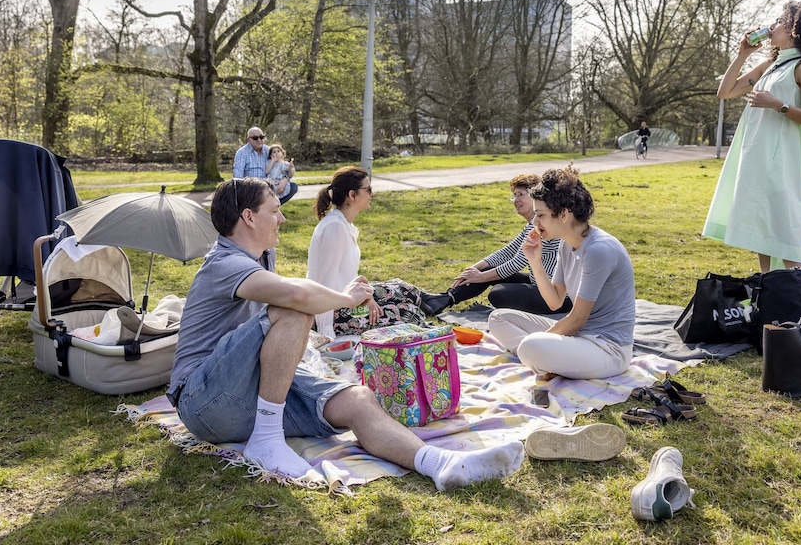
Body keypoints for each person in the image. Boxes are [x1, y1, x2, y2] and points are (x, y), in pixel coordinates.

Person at [166, 177, 524, 489]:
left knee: (358, 398)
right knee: (293, 309)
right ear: (248, 217)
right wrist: (346, 298)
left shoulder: (261, 256)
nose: (283, 218)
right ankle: (267, 438)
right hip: (203, 399)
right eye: (274, 210)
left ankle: (439, 464)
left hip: (247, 393)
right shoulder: (224, 262)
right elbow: (297, 296)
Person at [703, 1, 801, 272]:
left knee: (785, 232)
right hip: (757, 156)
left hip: (782, 160)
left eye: (780, 21)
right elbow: (725, 92)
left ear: (795, 30)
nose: (772, 26)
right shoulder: (772, 64)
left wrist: (777, 104)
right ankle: (770, 298)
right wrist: (742, 55)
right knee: (763, 232)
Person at [488, 167, 636, 381]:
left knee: (531, 345)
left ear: (564, 214)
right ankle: (547, 360)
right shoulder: (566, 245)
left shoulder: (599, 249)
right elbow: (555, 302)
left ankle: (542, 357)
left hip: (607, 349)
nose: (534, 223)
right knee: (498, 318)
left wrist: (542, 341)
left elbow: (576, 320)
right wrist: (535, 261)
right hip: (578, 338)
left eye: (540, 215)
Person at [420, 174, 572, 317]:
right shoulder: (533, 224)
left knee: (497, 293)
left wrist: (481, 277)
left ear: (535, 197)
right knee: (486, 270)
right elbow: (507, 252)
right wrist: (475, 269)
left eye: (521, 194)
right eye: (514, 195)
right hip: (539, 283)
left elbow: (517, 262)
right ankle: (444, 299)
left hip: (557, 296)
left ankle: (442, 300)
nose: (516, 200)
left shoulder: (544, 224)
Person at [307, 166, 430, 338]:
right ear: (352, 195)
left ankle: (441, 300)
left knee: (406, 290)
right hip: (332, 312)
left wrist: (367, 297)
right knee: (408, 313)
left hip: (347, 298)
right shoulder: (334, 228)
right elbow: (324, 283)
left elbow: (344, 275)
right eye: (368, 189)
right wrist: (326, 332)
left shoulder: (343, 224)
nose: (372, 194)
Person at [233, 127, 298, 203]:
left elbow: (281, 166)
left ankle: (270, 209)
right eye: (255, 138)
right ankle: (262, 209)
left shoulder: (269, 151)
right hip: (252, 189)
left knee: (293, 187)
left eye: (261, 137)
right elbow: (238, 177)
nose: (259, 140)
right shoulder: (242, 153)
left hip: (269, 187)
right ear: (248, 139)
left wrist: (285, 180)